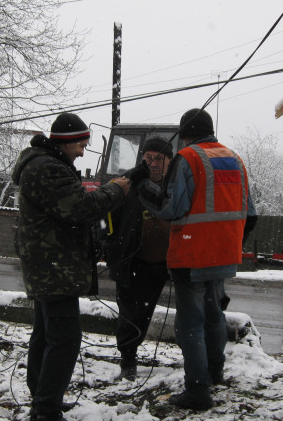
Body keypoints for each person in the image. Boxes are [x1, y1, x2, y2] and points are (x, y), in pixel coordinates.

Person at [12, 112, 137, 421]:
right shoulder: (47, 168)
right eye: (81, 144)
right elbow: (79, 207)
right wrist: (118, 190)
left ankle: (43, 397)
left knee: (46, 334)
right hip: (55, 269)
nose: (83, 151)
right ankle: (46, 408)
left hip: (50, 266)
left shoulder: (45, 164)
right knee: (65, 339)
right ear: (66, 142)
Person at [138, 108, 257, 411]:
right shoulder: (234, 158)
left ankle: (197, 390)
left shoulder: (188, 158)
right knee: (213, 315)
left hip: (191, 255)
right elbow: (251, 215)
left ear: (184, 134)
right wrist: (228, 244)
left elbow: (169, 209)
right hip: (223, 256)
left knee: (189, 324)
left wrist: (143, 186)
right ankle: (215, 374)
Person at [104, 136, 173, 381]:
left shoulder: (175, 188)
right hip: (133, 262)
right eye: (148, 158)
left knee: (146, 313)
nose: (153, 164)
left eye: (159, 159)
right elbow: (103, 220)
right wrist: (110, 248)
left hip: (164, 265)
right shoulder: (127, 185)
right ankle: (128, 360)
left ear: (169, 161)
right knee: (130, 315)